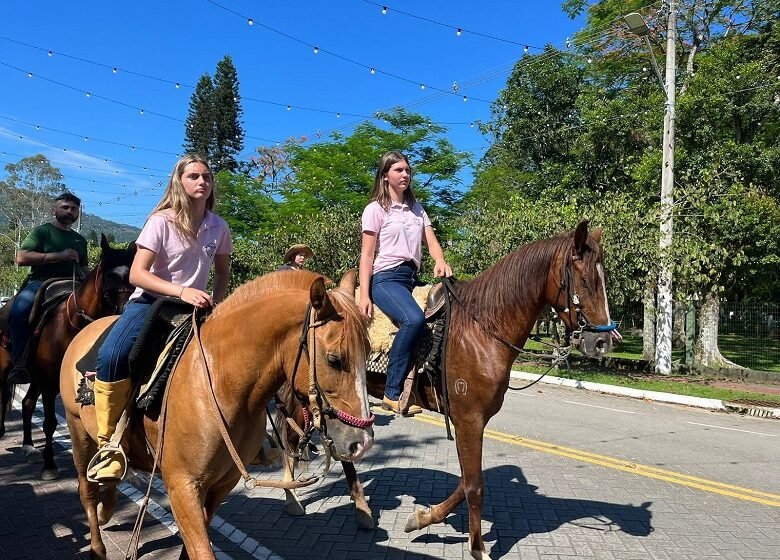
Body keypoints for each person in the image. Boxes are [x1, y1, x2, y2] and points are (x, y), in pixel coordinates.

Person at [88, 154, 232, 482]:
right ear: (179, 182)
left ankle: (246, 438)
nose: (202, 182)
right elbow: (137, 275)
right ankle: (108, 445)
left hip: (196, 307)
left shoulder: (219, 227)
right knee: (112, 355)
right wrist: (180, 291)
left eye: (206, 177)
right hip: (152, 302)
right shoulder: (161, 221)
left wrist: (218, 302)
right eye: (194, 176)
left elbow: (222, 271)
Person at [359, 151, 453, 416]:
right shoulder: (375, 209)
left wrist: (440, 261)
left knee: (451, 304)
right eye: (399, 170)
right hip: (386, 279)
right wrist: (365, 294)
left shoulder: (417, 209)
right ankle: (391, 392)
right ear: (385, 175)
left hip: (411, 277)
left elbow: (431, 242)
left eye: (407, 170)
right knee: (413, 320)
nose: (405, 175)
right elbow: (366, 255)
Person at [7, 192, 89, 384]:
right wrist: (59, 255)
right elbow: (22, 258)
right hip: (42, 282)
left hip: (74, 283)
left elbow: (85, 269)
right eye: (65, 207)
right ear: (55, 210)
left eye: (74, 209)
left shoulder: (80, 241)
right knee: (18, 311)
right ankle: (20, 363)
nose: (69, 212)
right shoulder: (42, 232)